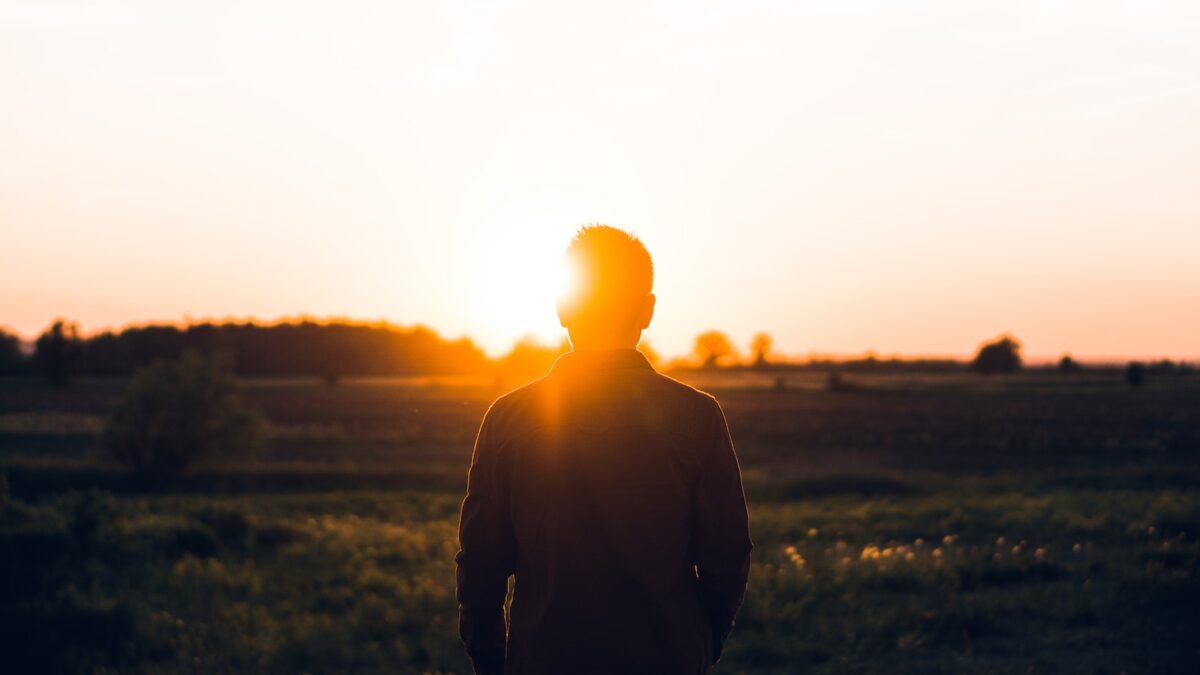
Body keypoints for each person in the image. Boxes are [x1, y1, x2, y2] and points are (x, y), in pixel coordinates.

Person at [455, 225, 753, 675]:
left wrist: (494, 663)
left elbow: (480, 567)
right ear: (648, 310)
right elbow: (726, 558)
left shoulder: (508, 419)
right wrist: (697, 648)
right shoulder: (697, 418)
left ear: (562, 307)